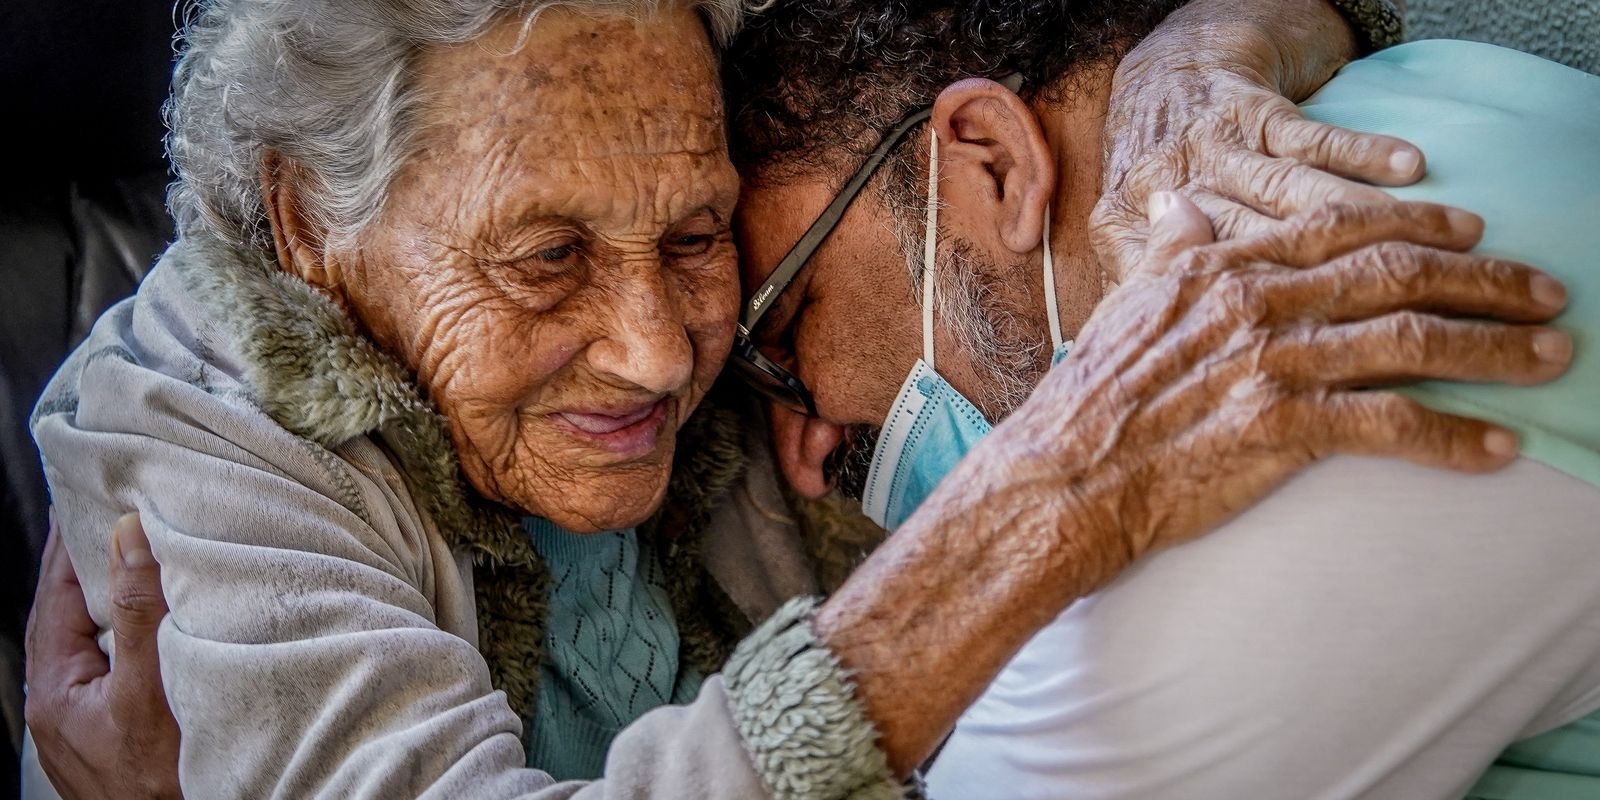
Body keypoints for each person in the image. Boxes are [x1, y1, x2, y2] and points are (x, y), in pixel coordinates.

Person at [20, 0, 1570, 798]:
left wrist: (1218, 34)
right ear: (308, 224)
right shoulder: (201, 440)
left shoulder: (729, 220)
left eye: (700, 241)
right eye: (547, 259)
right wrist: (1042, 501)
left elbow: (981, 81)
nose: (660, 353)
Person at [721, 4, 1600, 798]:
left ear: (992, 161)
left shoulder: (1273, 402)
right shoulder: (1441, 93)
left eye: (785, 332)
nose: (804, 462)